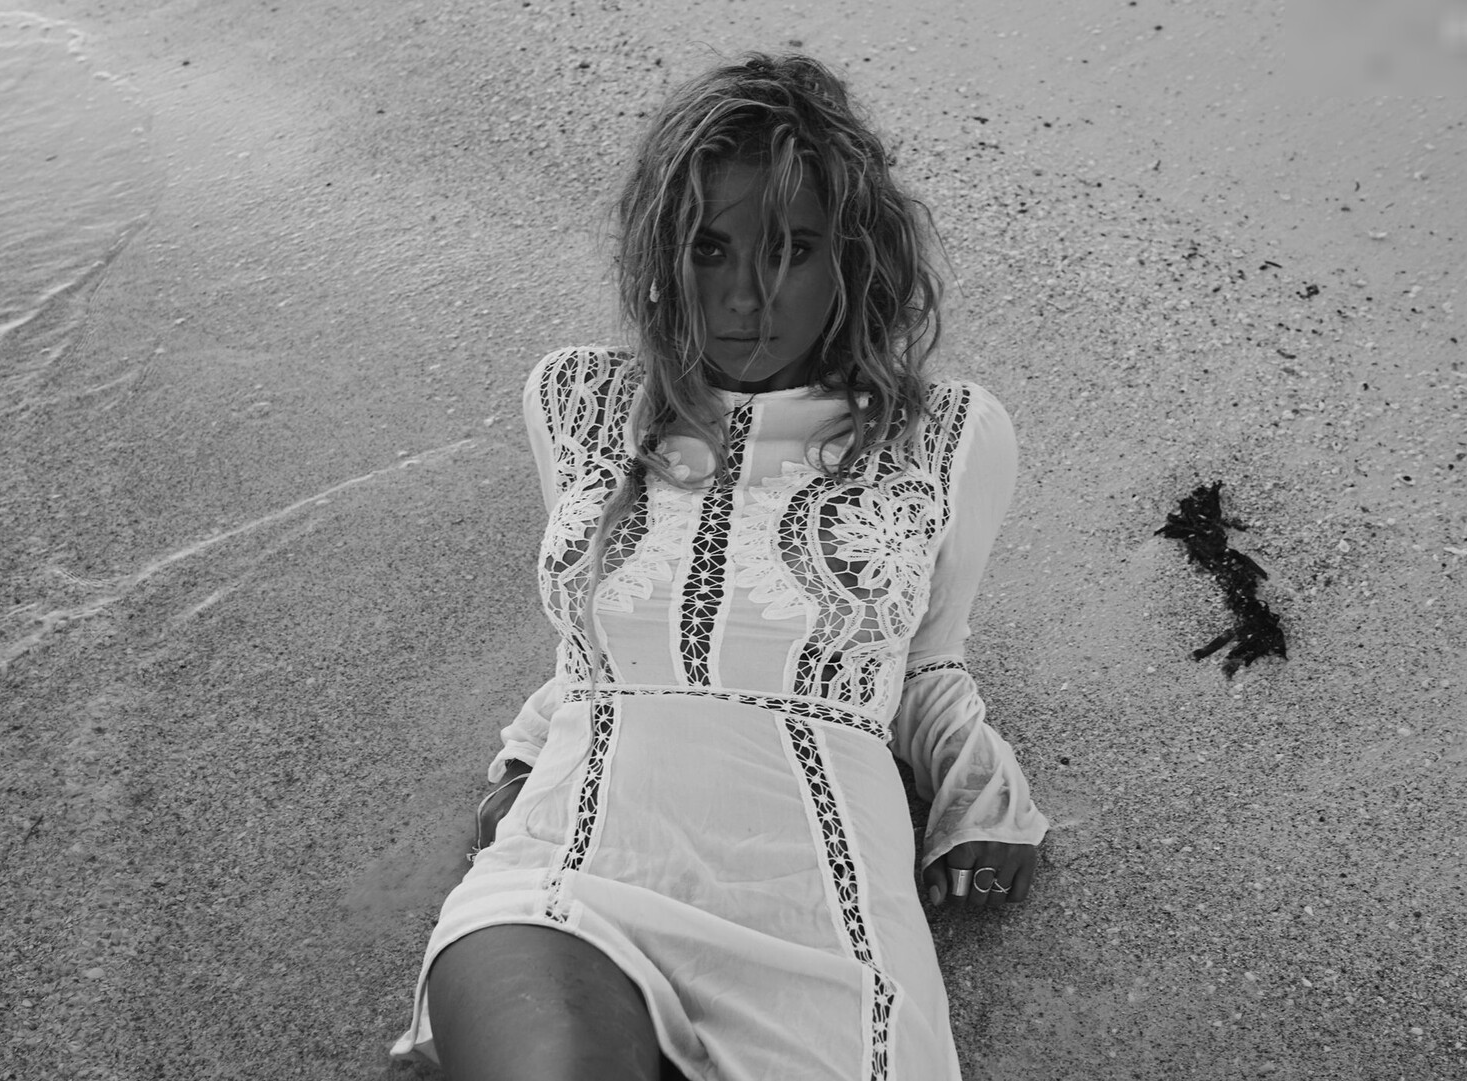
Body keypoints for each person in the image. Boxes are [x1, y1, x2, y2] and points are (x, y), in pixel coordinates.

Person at [390, 52, 1051, 1081]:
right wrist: (527, 756)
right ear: (663, 252)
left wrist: (977, 794)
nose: (745, 296)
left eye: (792, 249)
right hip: (570, 867)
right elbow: (590, 637)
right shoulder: (577, 399)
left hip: (821, 908)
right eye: (708, 248)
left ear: (854, 255)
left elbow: (924, 658)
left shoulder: (950, 433)